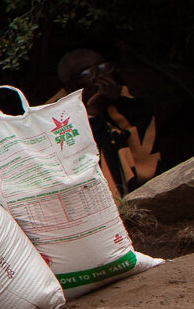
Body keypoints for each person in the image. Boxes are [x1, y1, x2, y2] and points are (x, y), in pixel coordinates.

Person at [55, 48, 161, 198]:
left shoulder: (129, 102)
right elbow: (82, 158)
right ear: (71, 86)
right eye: (87, 73)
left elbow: (146, 142)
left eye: (103, 67)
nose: (100, 76)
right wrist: (93, 113)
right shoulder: (57, 117)